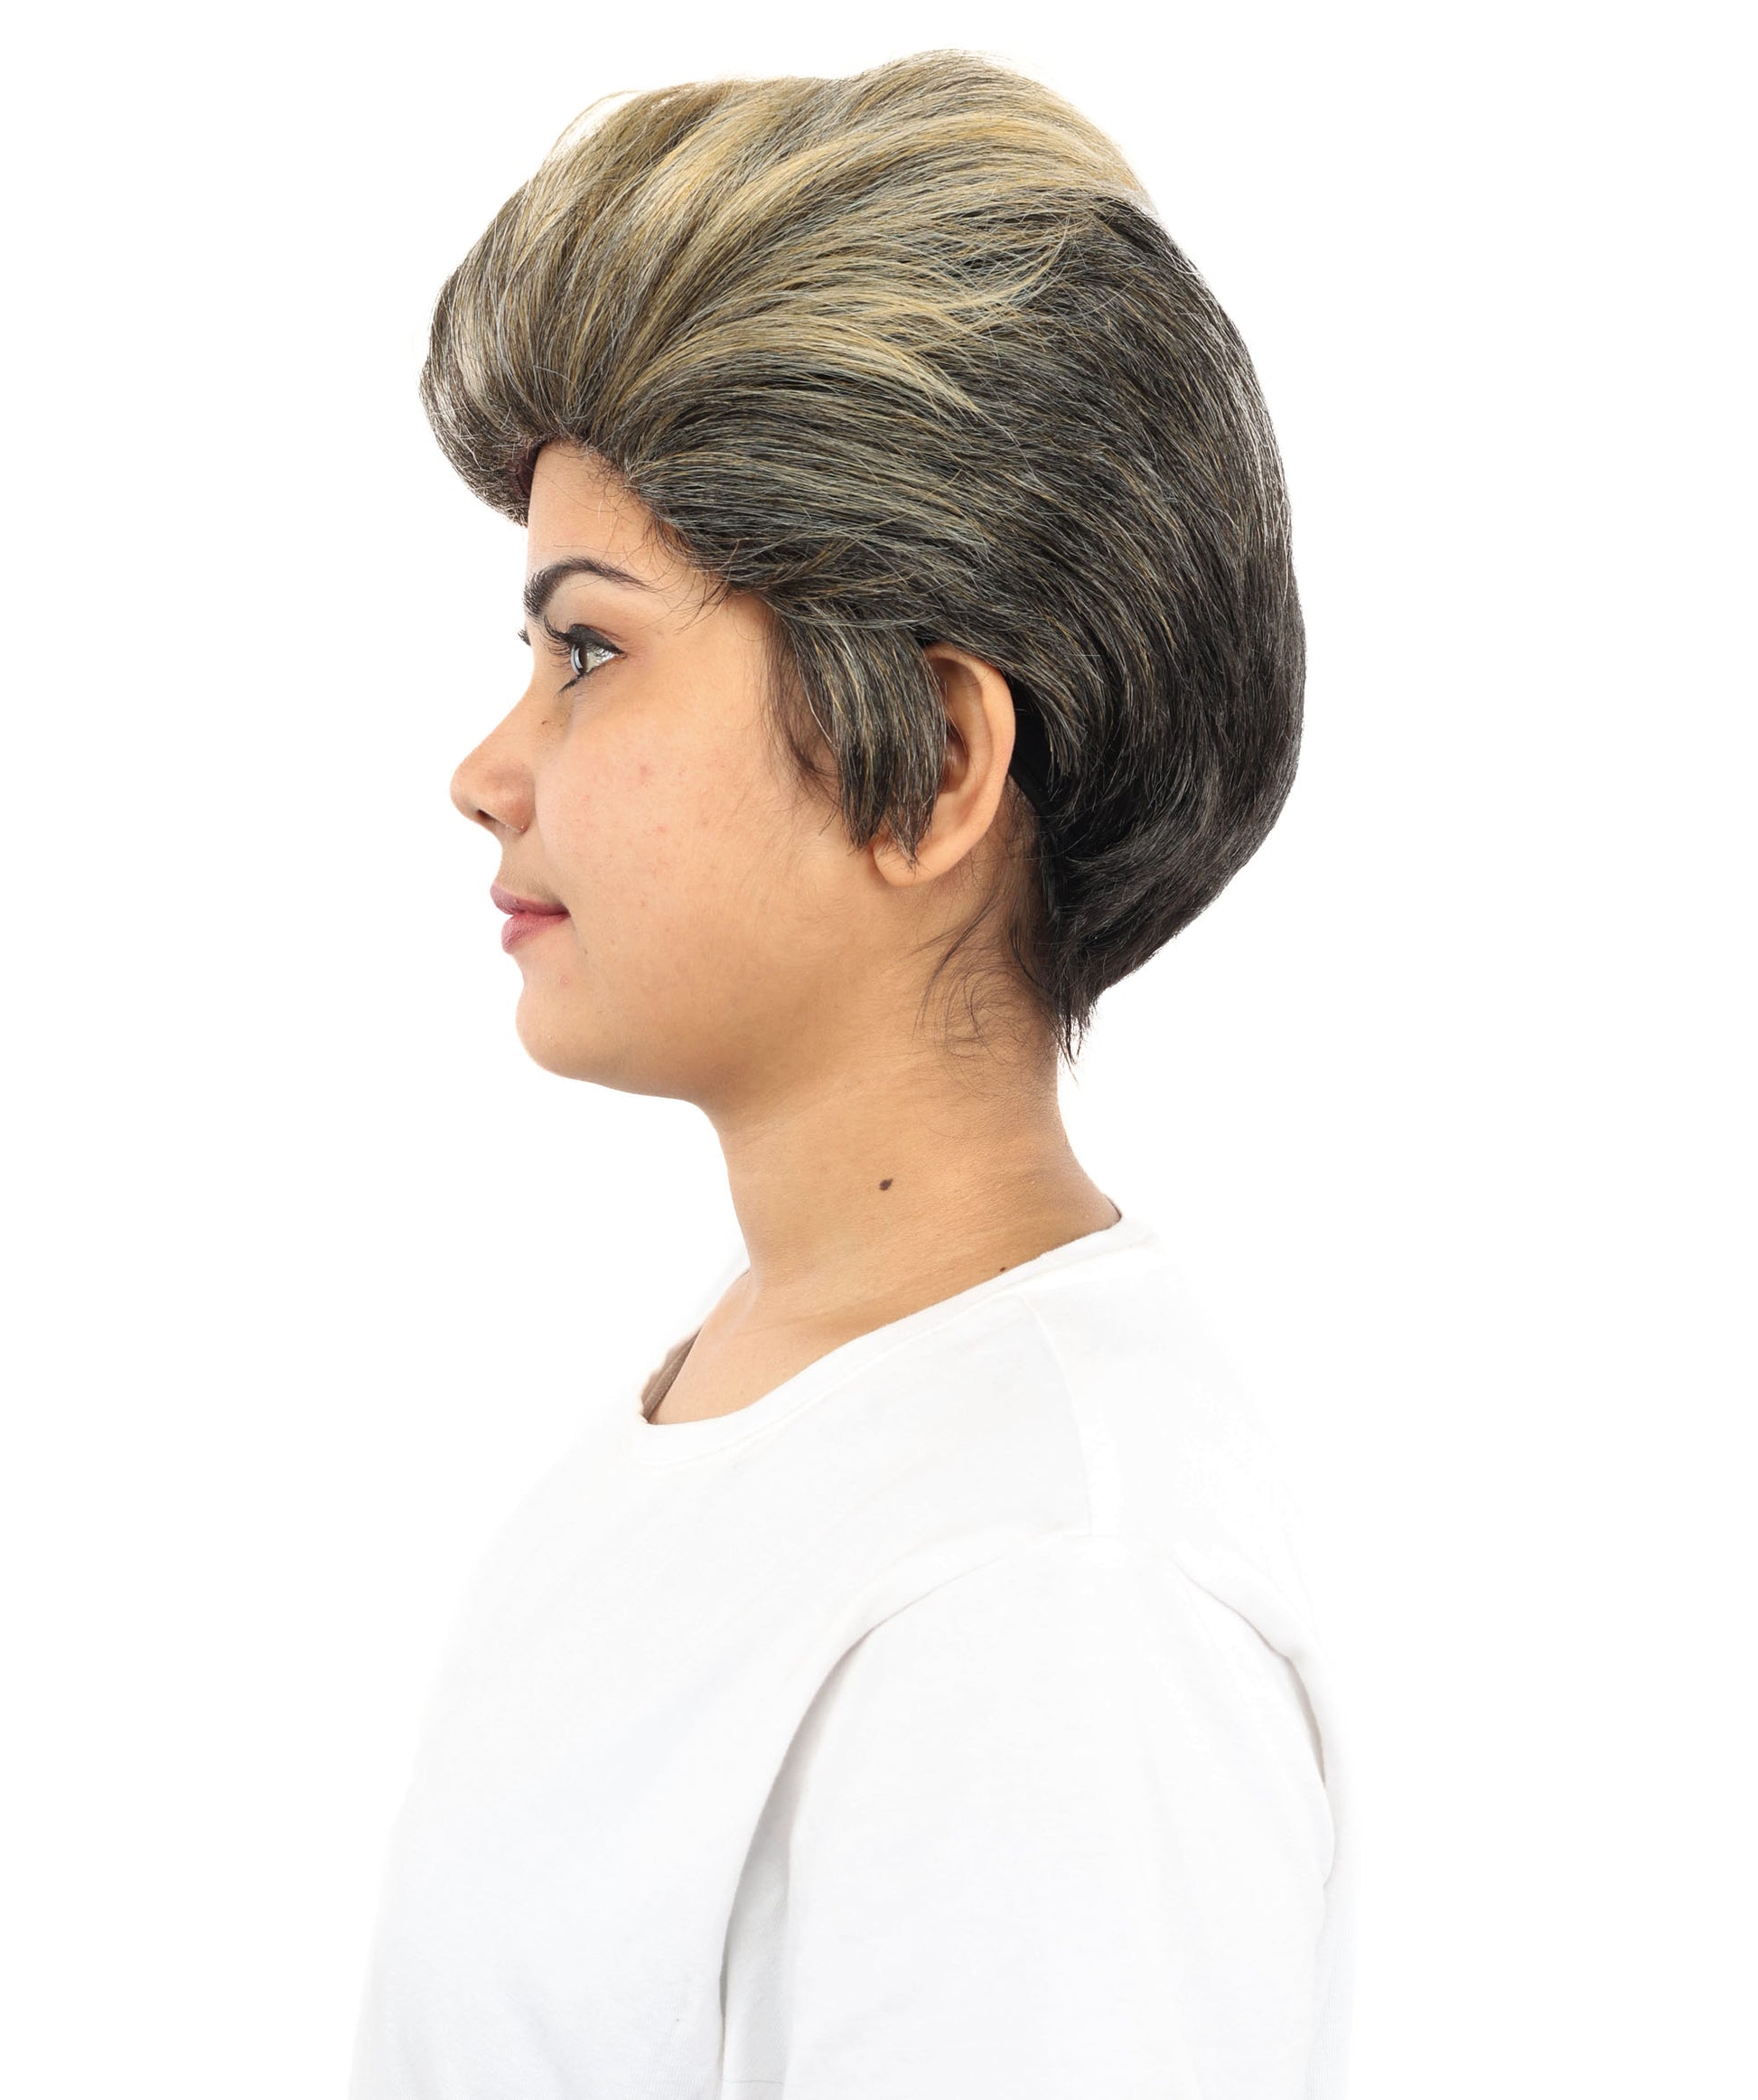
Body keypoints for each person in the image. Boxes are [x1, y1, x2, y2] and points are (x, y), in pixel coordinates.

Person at [350, 46, 1351, 2100]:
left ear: (934, 758)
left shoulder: (1043, 1601)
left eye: (589, 648)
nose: (487, 768)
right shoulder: (782, 1407)